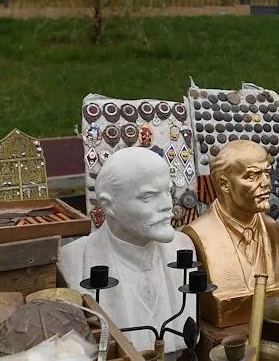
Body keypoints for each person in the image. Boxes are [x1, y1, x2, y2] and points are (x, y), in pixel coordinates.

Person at [58, 148, 195, 353]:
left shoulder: (183, 247)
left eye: (168, 191)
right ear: (109, 206)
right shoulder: (73, 261)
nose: (168, 205)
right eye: (148, 197)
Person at [181, 140, 279, 299]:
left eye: (267, 173)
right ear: (224, 184)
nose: (266, 183)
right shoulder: (199, 234)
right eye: (252, 176)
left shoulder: (272, 228)